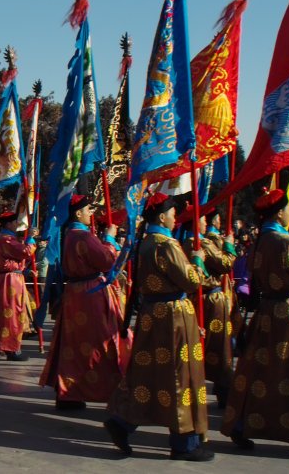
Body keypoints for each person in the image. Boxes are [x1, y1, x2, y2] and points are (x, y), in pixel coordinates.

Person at [221, 189, 289, 458]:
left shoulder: (260, 240)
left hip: (267, 312)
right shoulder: (287, 242)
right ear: (281, 212)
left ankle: (240, 422)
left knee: (257, 370)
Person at [104, 192, 212, 461]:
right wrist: (198, 260)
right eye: (173, 214)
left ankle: (122, 422)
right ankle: (184, 443)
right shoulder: (166, 245)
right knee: (179, 376)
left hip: (152, 315)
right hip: (174, 317)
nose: (176, 219)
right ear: (162, 216)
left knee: (148, 375)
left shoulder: (145, 243)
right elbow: (191, 281)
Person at [40, 195, 128, 409]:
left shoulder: (69, 234)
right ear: (77, 213)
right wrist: (109, 239)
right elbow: (107, 261)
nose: (91, 213)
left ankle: (68, 392)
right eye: (88, 209)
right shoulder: (83, 236)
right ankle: (96, 389)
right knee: (99, 343)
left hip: (76, 294)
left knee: (74, 345)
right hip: (90, 295)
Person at [181, 208, 236, 409]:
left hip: (195, 299)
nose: (206, 224)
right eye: (203, 220)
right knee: (220, 347)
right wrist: (229, 245)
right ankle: (224, 390)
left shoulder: (183, 242)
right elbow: (226, 264)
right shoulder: (200, 242)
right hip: (211, 300)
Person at [0, 211, 36, 362]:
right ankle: (12, 348)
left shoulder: (7, 238)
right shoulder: (6, 239)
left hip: (13, 277)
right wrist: (31, 239)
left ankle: (1, 342)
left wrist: (26, 270)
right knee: (13, 313)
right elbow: (25, 252)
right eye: (15, 222)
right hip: (11, 280)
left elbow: (15, 259)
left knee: (12, 311)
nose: (17, 225)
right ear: (9, 224)